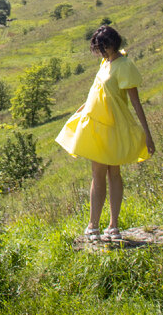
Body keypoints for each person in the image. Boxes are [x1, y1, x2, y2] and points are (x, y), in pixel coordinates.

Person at [55, 24, 155, 240]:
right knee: (97, 174)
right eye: (99, 48)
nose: (101, 51)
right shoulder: (105, 62)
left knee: (114, 173)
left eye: (103, 47)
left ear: (113, 44)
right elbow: (97, 92)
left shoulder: (125, 65)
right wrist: (81, 110)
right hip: (97, 127)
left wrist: (147, 134)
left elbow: (135, 102)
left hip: (115, 127)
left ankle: (114, 225)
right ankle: (93, 225)